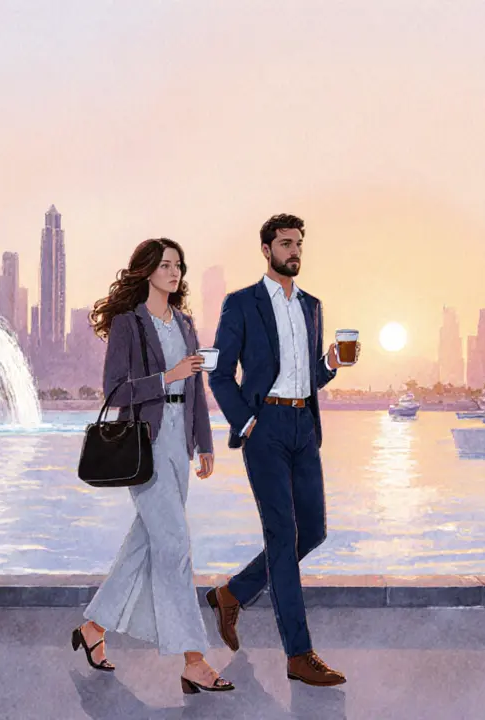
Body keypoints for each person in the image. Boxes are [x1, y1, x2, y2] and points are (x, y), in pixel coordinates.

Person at [71, 238, 234, 694]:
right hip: (145, 443)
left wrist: (204, 442)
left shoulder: (184, 322)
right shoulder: (129, 323)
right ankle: (194, 660)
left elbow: (197, 387)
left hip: (180, 441)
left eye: (178, 265)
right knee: (175, 546)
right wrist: (168, 378)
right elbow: (115, 391)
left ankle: (93, 629)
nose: (174, 272)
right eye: (165, 265)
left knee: (144, 544)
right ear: (145, 271)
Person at [205, 213, 359, 687]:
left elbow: (309, 375)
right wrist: (246, 421)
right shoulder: (242, 304)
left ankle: (233, 594)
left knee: (311, 531)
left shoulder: (312, 306)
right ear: (266, 249)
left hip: (303, 425)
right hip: (265, 426)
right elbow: (219, 373)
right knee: (282, 532)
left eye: (298, 245)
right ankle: (298, 653)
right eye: (285, 243)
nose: (294, 251)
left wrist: (330, 363)